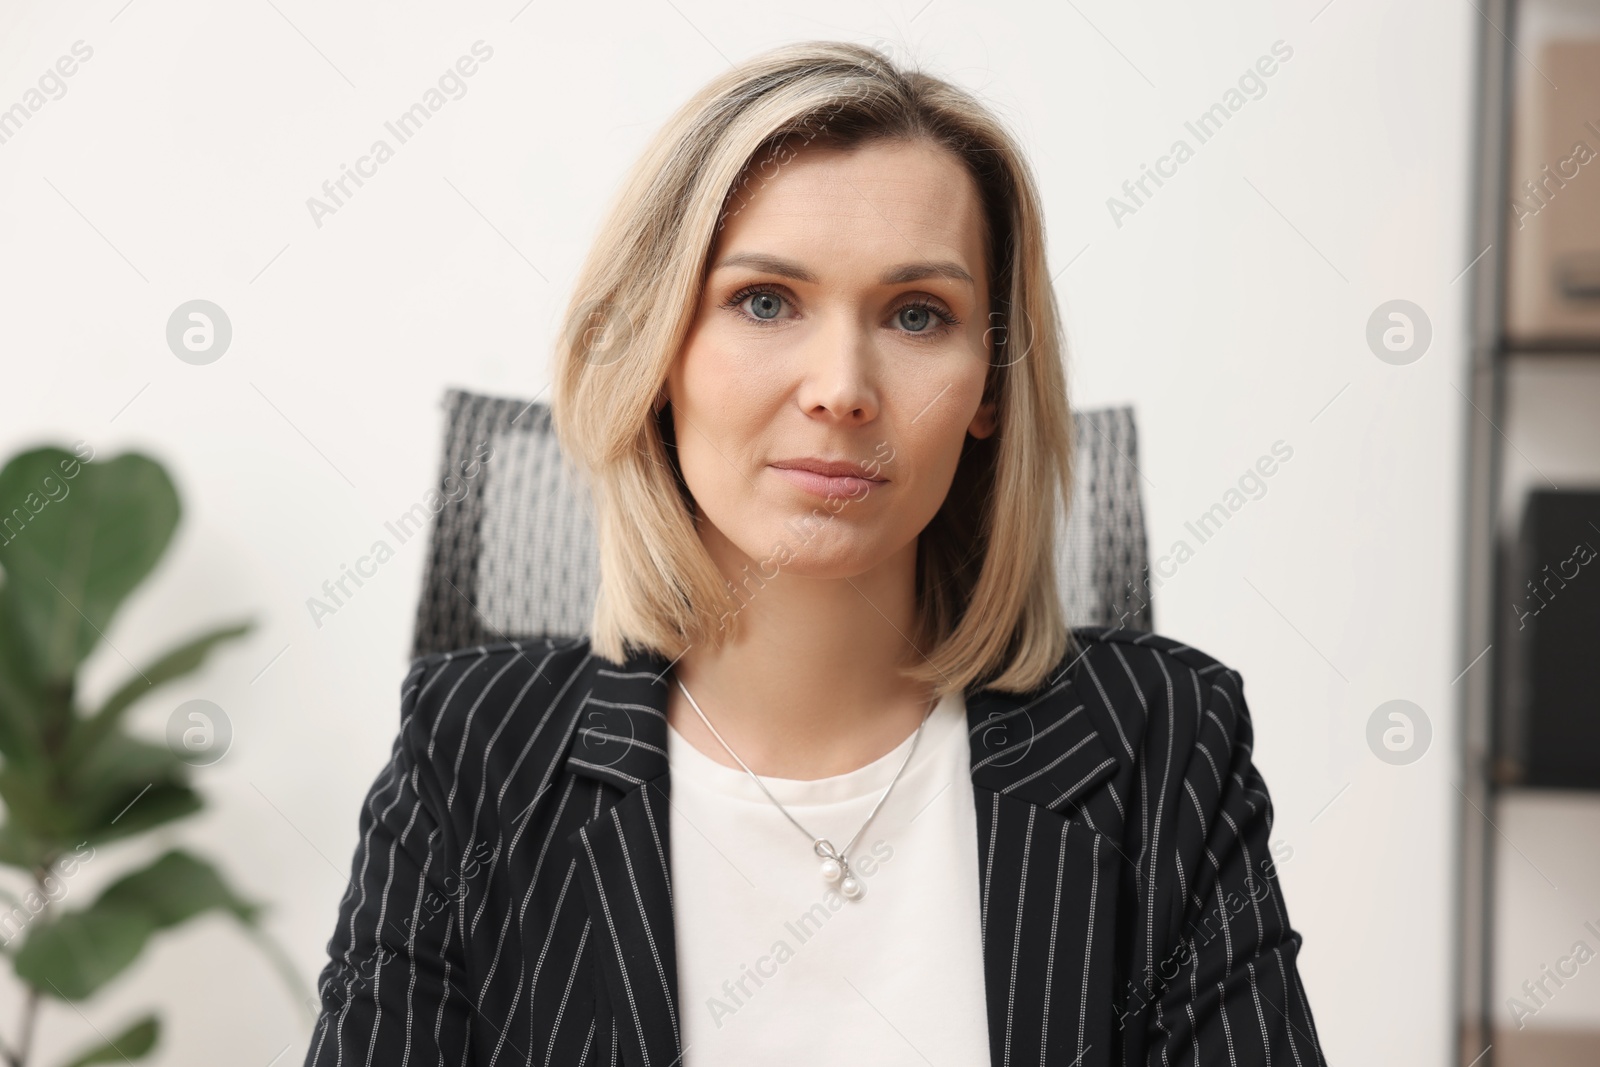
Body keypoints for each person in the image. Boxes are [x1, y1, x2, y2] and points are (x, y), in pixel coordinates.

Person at [304, 39, 1326, 1067]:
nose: (841, 386)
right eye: (764, 301)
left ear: (991, 389)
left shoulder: (1160, 741)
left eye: (919, 314)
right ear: (661, 353)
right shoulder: (473, 750)